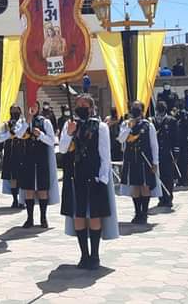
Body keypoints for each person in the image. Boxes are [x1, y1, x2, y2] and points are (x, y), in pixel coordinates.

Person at [58, 94, 119, 270]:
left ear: (92, 108)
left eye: (85, 105)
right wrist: (69, 132)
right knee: (78, 215)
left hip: (94, 175)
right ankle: (83, 255)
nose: (81, 108)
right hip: (74, 175)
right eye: (79, 105)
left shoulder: (100, 127)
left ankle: (95, 255)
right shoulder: (69, 125)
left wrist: (103, 177)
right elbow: (62, 148)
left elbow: (105, 154)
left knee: (94, 215)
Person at [118, 101, 161, 224]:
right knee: (135, 186)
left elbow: (154, 145)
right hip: (131, 160)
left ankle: (144, 213)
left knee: (145, 186)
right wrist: (129, 127)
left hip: (145, 160)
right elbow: (121, 139)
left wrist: (155, 162)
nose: (135, 112)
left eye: (137, 109)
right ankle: (137, 213)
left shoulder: (148, 125)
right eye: (133, 109)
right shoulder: (126, 124)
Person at [20, 102, 60, 228]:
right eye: (30, 107)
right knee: (29, 189)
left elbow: (52, 140)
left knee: (43, 189)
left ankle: (43, 217)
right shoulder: (23, 122)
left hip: (42, 159)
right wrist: (28, 120)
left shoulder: (45, 122)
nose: (32, 109)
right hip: (27, 159)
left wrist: (40, 135)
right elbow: (19, 134)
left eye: (35, 107)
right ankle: (29, 218)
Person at [0, 105, 29, 208]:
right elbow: (0, 138)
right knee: (12, 178)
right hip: (10, 153)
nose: (14, 113)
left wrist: (16, 133)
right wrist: (10, 134)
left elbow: (23, 134)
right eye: (12, 111)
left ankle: (23, 200)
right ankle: (15, 200)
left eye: (16, 111)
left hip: (22, 152)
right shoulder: (5, 124)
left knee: (22, 177)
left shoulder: (24, 123)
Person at [154, 101, 179, 208]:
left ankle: (168, 198)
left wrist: (176, 153)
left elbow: (176, 138)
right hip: (157, 153)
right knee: (158, 177)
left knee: (168, 177)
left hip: (168, 154)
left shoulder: (171, 121)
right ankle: (161, 198)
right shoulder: (153, 121)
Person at [174, 99, 188, 189]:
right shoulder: (175, 116)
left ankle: (185, 181)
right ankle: (179, 180)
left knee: (185, 162)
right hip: (178, 141)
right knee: (178, 162)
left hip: (186, 141)